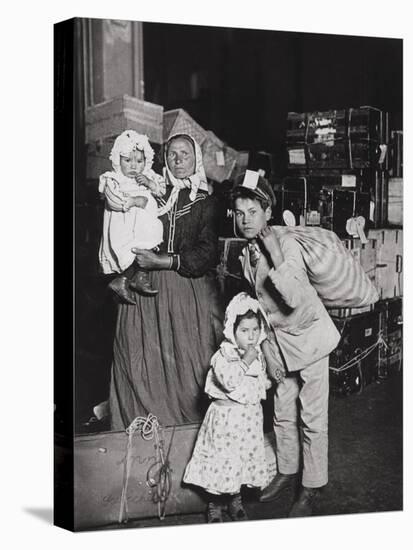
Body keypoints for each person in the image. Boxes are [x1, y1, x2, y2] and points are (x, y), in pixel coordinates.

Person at [231, 171, 340, 517]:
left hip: (309, 339)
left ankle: (311, 487)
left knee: (312, 416)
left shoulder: (285, 242)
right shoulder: (244, 252)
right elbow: (258, 309)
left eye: (253, 211)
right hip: (278, 345)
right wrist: (265, 351)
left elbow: (292, 297)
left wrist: (275, 253)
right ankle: (287, 470)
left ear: (268, 212)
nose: (246, 220)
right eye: (239, 212)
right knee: (281, 413)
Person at [109, 133, 223, 429]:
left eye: (185, 154)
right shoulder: (151, 192)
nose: (178, 159)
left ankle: (187, 438)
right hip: (143, 291)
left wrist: (163, 260)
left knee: (187, 369)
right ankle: (141, 435)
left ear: (196, 159)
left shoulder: (206, 202)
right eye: (172, 154)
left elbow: (208, 253)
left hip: (184, 291)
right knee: (138, 361)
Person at [184, 292, 271, 523]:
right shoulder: (224, 355)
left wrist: (267, 381)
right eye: (244, 331)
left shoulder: (257, 354)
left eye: (255, 330)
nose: (251, 337)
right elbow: (230, 381)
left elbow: (257, 382)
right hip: (226, 420)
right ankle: (214, 504)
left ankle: (235, 499)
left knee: (240, 460)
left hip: (247, 420)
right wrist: (246, 361)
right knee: (221, 462)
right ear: (232, 330)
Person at [98, 130, 166, 303]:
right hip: (124, 225)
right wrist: (134, 201)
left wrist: (150, 184)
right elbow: (113, 200)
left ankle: (138, 277)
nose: (134, 166)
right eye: (127, 161)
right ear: (117, 160)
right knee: (130, 249)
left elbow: (161, 190)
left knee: (147, 245)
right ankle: (122, 279)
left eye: (139, 161)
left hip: (145, 224)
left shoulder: (148, 176)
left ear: (147, 161)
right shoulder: (113, 179)